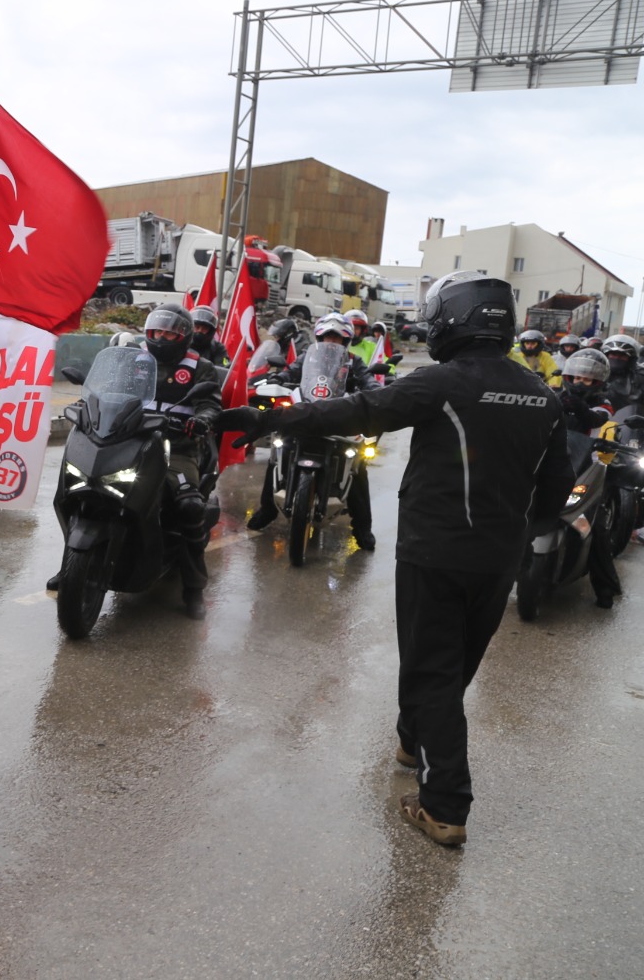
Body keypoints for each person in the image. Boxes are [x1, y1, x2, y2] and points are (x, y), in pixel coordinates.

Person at [218, 270, 573, 848]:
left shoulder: (443, 381)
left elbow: (351, 413)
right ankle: (413, 740)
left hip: (436, 551)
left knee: (433, 669)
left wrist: (264, 419)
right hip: (499, 557)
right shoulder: (543, 394)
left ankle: (444, 805)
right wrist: (519, 534)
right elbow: (555, 484)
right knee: (452, 665)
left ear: (452, 318)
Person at [246, 313, 380, 550]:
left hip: (339, 418)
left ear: (345, 341)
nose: (331, 340)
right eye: (328, 335)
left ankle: (362, 528)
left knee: (358, 465)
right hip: (307, 413)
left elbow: (367, 380)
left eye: (337, 337)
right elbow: (290, 373)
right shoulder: (308, 356)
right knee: (278, 450)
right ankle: (267, 509)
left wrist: (373, 390)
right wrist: (276, 378)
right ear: (319, 336)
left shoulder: (353, 361)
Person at [141, 304, 223, 619]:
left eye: (169, 333)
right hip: (130, 441)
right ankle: (70, 568)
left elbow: (210, 404)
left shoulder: (200, 368)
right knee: (83, 486)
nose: (161, 338)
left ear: (183, 336)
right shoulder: (136, 358)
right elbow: (109, 389)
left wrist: (201, 420)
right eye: (156, 332)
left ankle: (193, 590)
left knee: (190, 507)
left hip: (176, 450)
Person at [556, 348, 622, 608]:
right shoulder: (555, 395)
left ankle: (605, 588)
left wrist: (580, 407)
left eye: (587, 380)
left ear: (598, 383)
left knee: (593, 526)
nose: (580, 383)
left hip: (586, 464)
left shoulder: (603, 403)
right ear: (567, 377)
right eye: (576, 378)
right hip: (553, 460)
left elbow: (596, 419)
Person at [600, 334, 644, 411]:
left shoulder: (639, 378)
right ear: (606, 355)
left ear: (631, 359)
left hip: (625, 420)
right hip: (597, 418)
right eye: (613, 354)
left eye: (622, 355)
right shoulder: (596, 373)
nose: (617, 358)